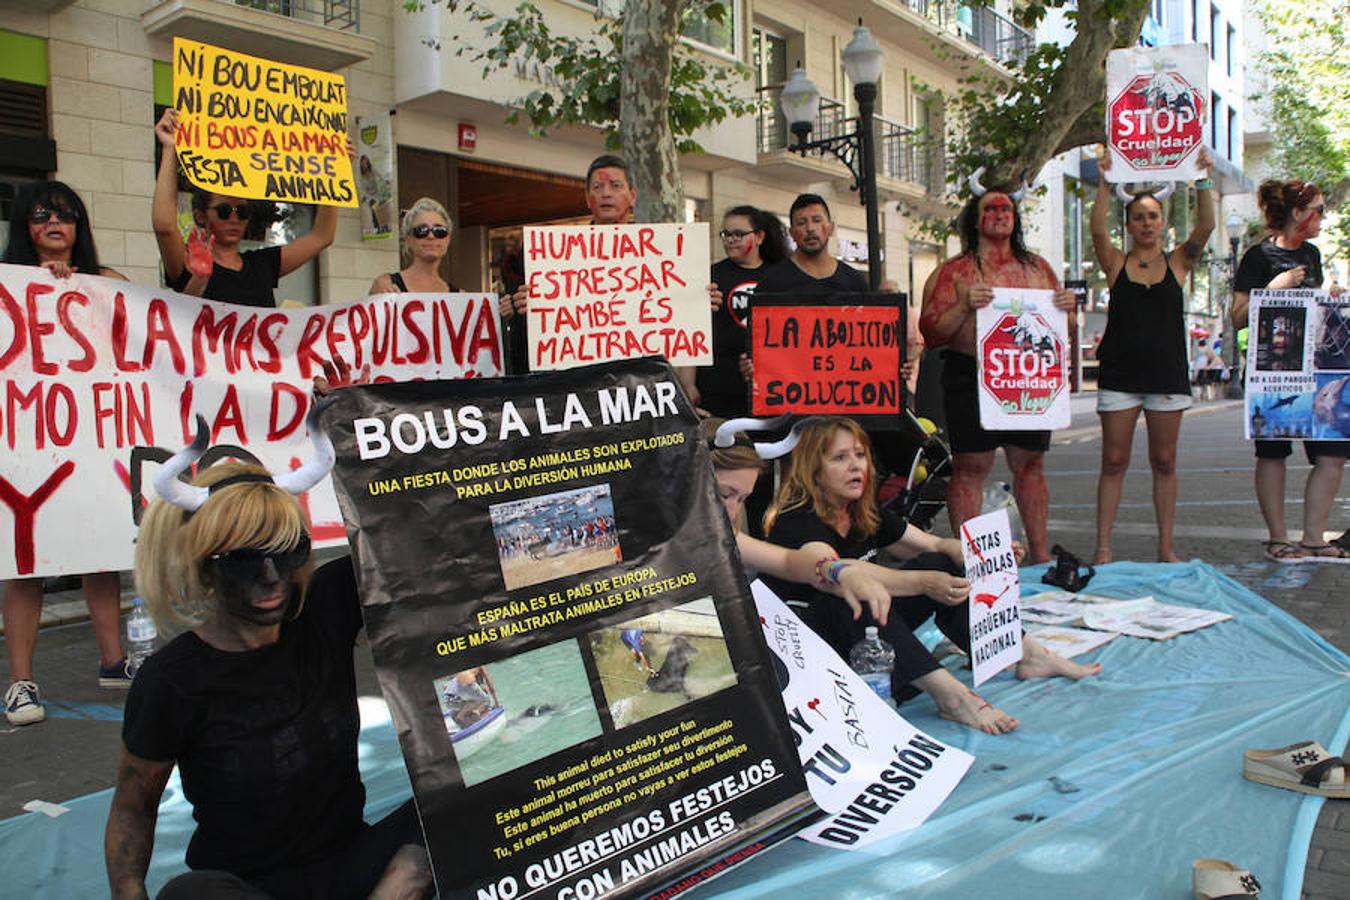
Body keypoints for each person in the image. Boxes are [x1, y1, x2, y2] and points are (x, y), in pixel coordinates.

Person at [104, 371, 433, 900]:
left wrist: (375, 418)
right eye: (242, 560)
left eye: (287, 553)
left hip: (357, 869)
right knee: (190, 895)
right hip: (247, 888)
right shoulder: (173, 682)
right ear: (205, 565)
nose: (272, 578)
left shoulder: (323, 609)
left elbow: (413, 522)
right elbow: (133, 805)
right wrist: (128, 891)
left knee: (461, 803)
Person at [759, 417, 1100, 735]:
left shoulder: (859, 510)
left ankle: (1025, 653)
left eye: (860, 455)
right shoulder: (796, 520)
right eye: (840, 458)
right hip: (813, 655)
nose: (856, 466)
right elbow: (836, 573)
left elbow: (934, 545)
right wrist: (923, 583)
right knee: (857, 597)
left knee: (943, 564)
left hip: (861, 640)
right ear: (813, 472)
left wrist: (980, 552)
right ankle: (951, 697)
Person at [3, 181, 131, 725]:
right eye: (40, 215)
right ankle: (21, 683)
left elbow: (143, 317)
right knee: (24, 560)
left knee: (97, 552)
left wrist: (81, 286)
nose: (54, 224)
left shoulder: (101, 283)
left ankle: (114, 660)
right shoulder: (8, 286)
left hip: (88, 441)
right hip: (26, 440)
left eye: (66, 215)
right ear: (23, 228)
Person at [920, 172, 1078, 563]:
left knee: (1031, 464)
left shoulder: (1039, 268)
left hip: (1024, 375)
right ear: (975, 218)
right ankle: (969, 558)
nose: (999, 214)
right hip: (969, 374)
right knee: (970, 466)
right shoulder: (954, 271)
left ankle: (1040, 555)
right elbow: (931, 331)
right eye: (989, 207)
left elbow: (1064, 329)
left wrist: (1069, 312)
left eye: (1005, 207)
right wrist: (962, 305)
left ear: (1015, 216)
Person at [1089, 151, 1215, 563]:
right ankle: (1103, 548)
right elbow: (1097, 233)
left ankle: (1165, 547)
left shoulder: (1178, 261)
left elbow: (1206, 226)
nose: (1146, 223)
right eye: (1139, 217)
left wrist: (1202, 182)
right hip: (1120, 375)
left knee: (1164, 460)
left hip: (1166, 376)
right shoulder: (1115, 263)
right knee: (1114, 460)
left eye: (1153, 216)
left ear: (1163, 223)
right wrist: (1105, 184)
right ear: (1129, 225)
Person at [500, 154, 720, 374]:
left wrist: (698, 301)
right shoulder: (557, 258)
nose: (606, 193)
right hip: (583, 377)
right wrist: (525, 308)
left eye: (615, 186)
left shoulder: (661, 252)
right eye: (598, 187)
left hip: (641, 378)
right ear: (588, 198)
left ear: (632, 195)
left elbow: (676, 312)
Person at [1230, 179, 1347, 562]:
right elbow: (1237, 318)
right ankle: (1278, 538)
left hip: (1318, 369)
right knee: (1273, 453)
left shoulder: (1312, 255)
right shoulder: (1257, 257)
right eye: (1317, 210)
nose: (1322, 218)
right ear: (1297, 213)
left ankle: (1314, 537)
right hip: (1274, 370)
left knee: (1331, 454)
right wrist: (1275, 286)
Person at [152, 108, 341, 308]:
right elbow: (164, 227)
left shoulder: (262, 265)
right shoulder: (188, 261)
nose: (234, 219)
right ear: (200, 216)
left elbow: (322, 236)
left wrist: (334, 171)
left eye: (242, 212)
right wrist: (169, 148)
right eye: (224, 211)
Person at [688, 205, 788, 418]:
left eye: (739, 234)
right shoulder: (708, 275)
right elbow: (692, 333)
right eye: (726, 234)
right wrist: (688, 384)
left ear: (759, 237)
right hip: (716, 388)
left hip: (769, 389)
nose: (730, 239)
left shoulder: (781, 276)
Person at [754, 194, 869, 293]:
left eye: (817, 220)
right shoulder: (772, 281)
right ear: (792, 233)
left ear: (831, 228)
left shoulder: (854, 281)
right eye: (801, 223)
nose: (810, 228)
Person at [369, 198, 460, 294]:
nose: (431, 236)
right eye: (421, 230)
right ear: (408, 239)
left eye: (439, 231)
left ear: (447, 239)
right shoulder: (385, 285)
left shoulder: (461, 297)